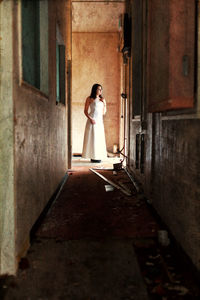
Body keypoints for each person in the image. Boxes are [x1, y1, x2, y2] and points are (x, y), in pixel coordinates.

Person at [82, 83, 107, 163]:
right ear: (95, 89)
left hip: (99, 121)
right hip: (92, 120)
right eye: (99, 89)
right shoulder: (89, 98)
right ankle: (92, 156)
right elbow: (85, 111)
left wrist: (104, 104)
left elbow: (103, 113)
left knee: (99, 138)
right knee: (92, 138)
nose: (100, 91)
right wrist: (90, 119)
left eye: (101, 89)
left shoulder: (102, 99)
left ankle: (98, 156)